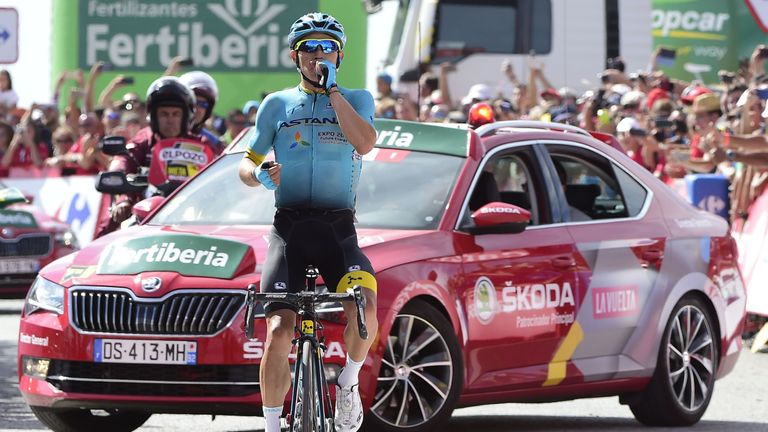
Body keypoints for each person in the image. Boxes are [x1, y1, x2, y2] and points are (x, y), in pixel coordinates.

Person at [237, 12, 378, 432]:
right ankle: (272, 426)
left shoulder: (357, 98)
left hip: (338, 229)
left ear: (339, 55)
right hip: (290, 229)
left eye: (327, 48)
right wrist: (259, 175)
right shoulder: (277, 104)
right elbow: (246, 163)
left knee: (364, 306)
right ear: (295, 57)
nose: (319, 55)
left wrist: (332, 91)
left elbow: (366, 143)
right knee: (279, 331)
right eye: (310, 49)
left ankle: (348, 386)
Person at [94, 76, 202, 238]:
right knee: (107, 232)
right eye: (164, 114)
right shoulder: (143, 140)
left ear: (186, 117)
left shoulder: (202, 145)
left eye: (175, 114)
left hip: (195, 213)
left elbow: (220, 169)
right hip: (145, 214)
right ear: (153, 116)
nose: (170, 120)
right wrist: (123, 199)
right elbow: (124, 159)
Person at [179, 71, 223, 153]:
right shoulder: (157, 136)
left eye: (203, 104)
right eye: (193, 102)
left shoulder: (215, 144)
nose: (197, 109)